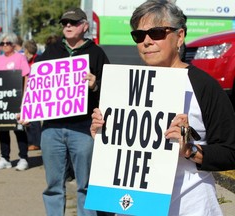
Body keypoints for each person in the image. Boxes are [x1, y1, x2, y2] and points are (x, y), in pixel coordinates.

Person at [90, 1, 235, 215]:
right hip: (136, 207)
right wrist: (103, 135)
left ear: (180, 36)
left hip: (190, 205)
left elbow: (230, 151)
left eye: (156, 32)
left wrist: (190, 150)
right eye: (139, 36)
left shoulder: (203, 85)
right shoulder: (123, 87)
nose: (147, 42)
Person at [34, 7, 110, 216]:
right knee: (53, 185)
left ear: (85, 26)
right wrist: (26, 110)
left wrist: (95, 84)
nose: (68, 26)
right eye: (65, 23)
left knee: (85, 184)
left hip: (83, 128)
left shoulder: (96, 53)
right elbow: (34, 85)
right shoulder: (50, 52)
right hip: (52, 128)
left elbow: (112, 90)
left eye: (74, 22)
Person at [0, 32, 30, 171]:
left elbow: (26, 76)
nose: (5, 46)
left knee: (19, 129)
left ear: (13, 44)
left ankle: (23, 157)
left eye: (7, 43)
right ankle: (5, 158)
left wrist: (25, 96)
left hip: (16, 99)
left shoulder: (20, 58)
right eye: (2, 43)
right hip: (2, 101)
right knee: (2, 129)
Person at [23, 39, 42, 151]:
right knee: (28, 120)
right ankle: (30, 142)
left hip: (36, 93)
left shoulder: (38, 59)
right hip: (27, 92)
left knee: (35, 121)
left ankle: (37, 142)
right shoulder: (25, 61)